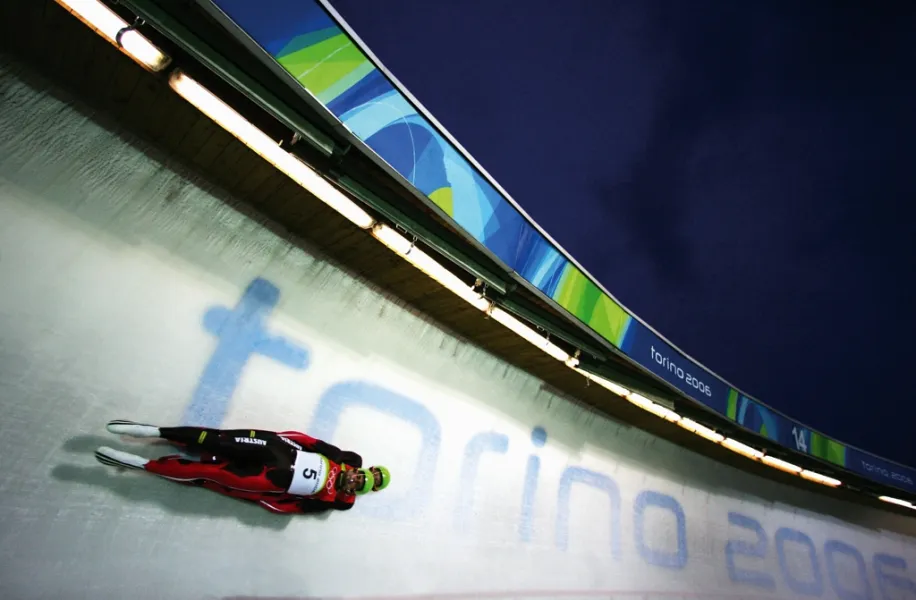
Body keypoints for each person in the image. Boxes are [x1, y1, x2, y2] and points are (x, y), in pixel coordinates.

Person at [95, 419, 390, 514]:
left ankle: (141, 464)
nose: (355, 479)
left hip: (268, 479)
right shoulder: (344, 459)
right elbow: (309, 441)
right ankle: (154, 431)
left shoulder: (332, 501)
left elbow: (292, 507)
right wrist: (278, 439)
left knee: (207, 473)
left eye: (362, 484)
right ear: (359, 470)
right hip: (277, 451)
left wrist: (262, 498)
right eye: (362, 475)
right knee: (217, 440)